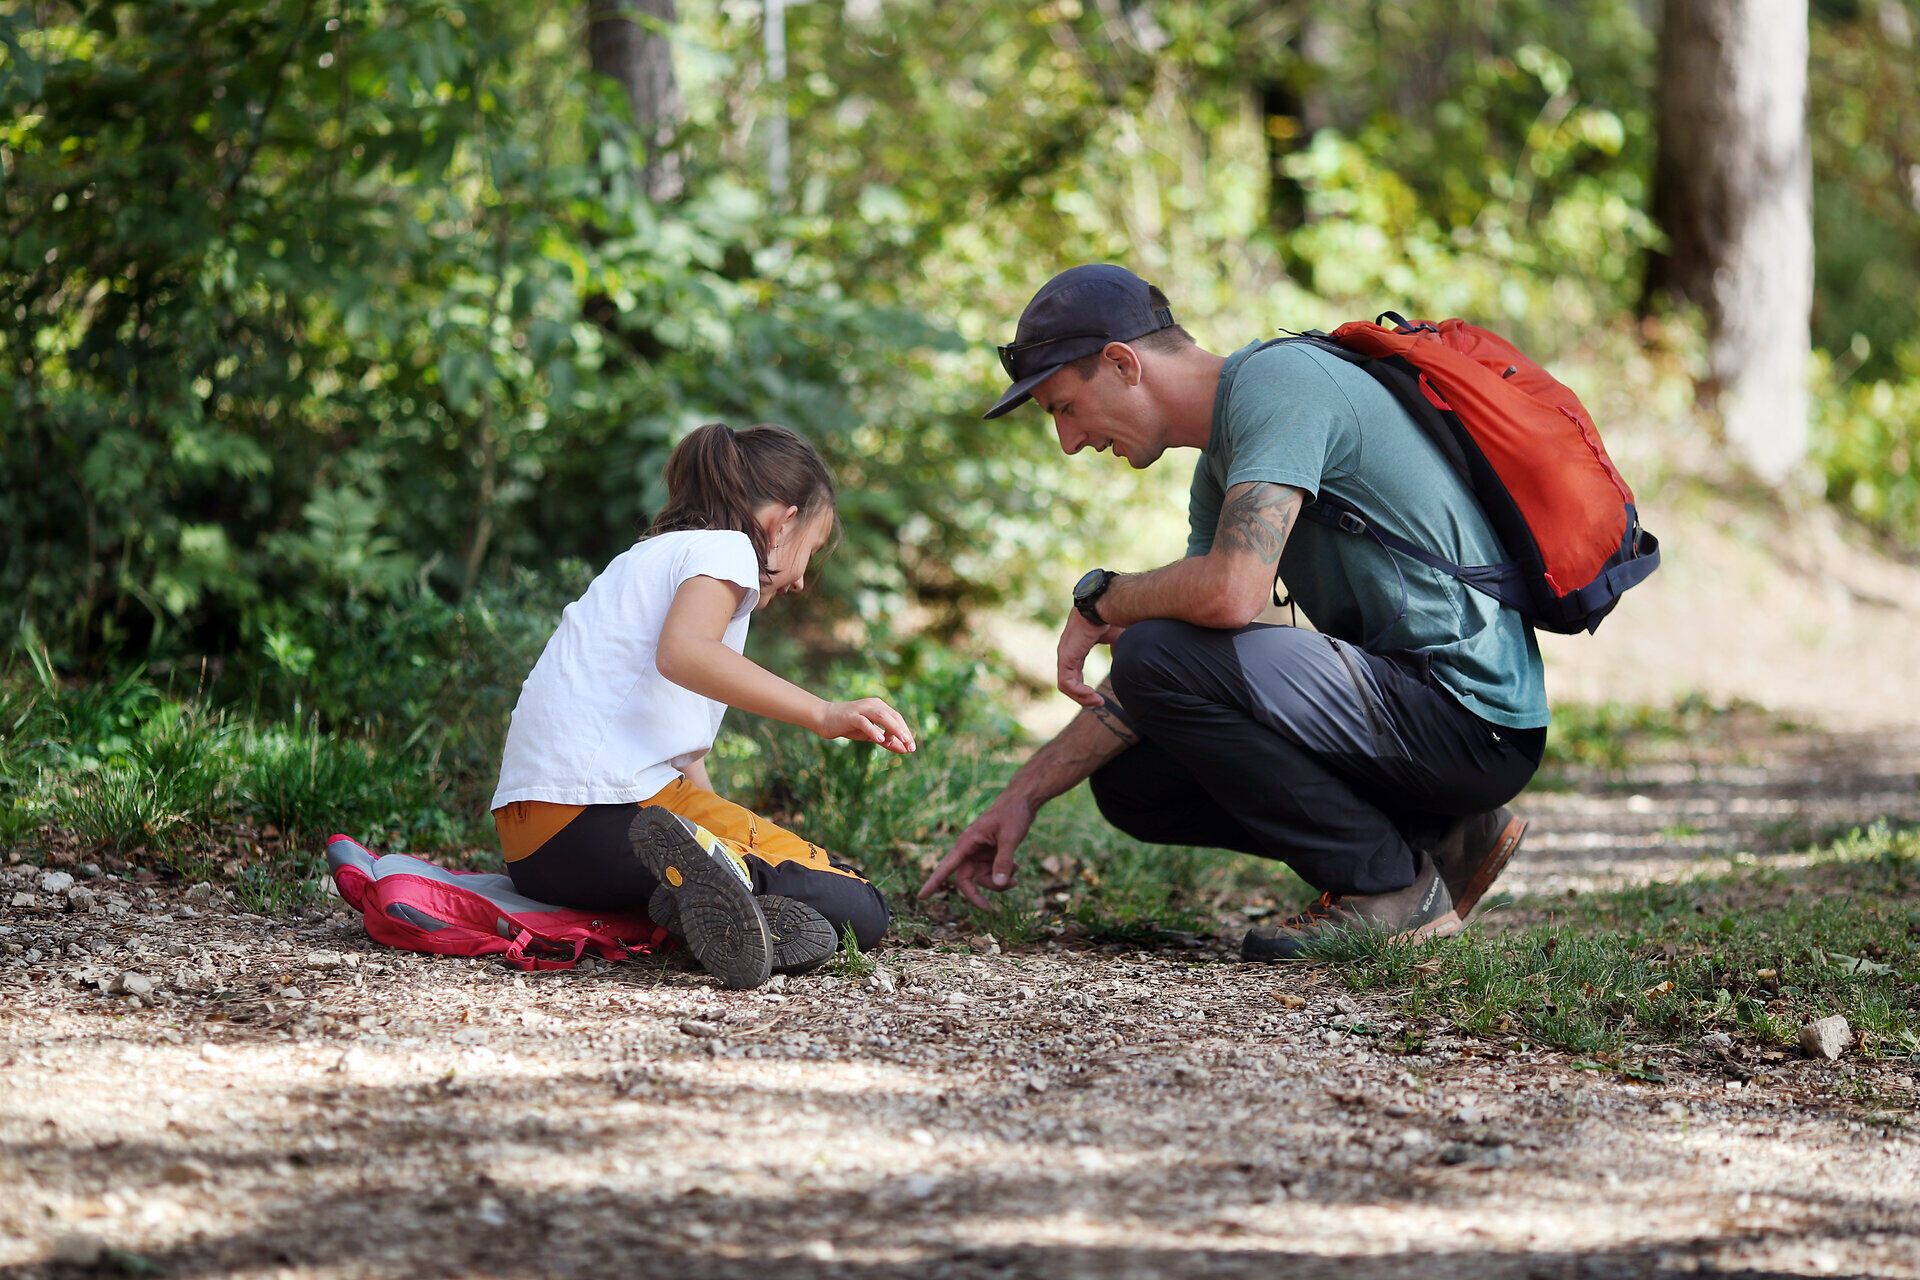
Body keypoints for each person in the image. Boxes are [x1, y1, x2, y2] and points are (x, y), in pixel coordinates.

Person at [919, 264, 1543, 959]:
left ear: (1122, 363)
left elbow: (1227, 596)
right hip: (1414, 713)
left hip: (1470, 720)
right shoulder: (1224, 462)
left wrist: (1102, 599)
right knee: (1134, 785)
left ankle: (1387, 888)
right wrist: (1024, 795)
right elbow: (1210, 656)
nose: (1069, 442)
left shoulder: (1281, 387)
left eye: (1065, 407)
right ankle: (1442, 833)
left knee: (1153, 650)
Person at [490, 422, 914, 990]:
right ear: (782, 521)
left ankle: (708, 899)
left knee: (755, 859)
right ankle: (723, 894)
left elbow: (675, 740)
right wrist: (824, 713)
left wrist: (722, 824)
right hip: (601, 821)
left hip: (535, 851)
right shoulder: (726, 546)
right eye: (809, 550)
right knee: (859, 904)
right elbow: (684, 654)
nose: (802, 581)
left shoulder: (643, 560)